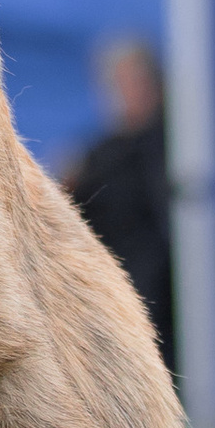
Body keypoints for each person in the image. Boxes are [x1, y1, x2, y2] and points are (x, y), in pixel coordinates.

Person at [63, 34, 175, 371]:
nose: (124, 92)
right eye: (116, 83)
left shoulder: (180, 145)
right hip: (114, 288)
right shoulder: (98, 154)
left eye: (134, 81)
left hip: (163, 290)